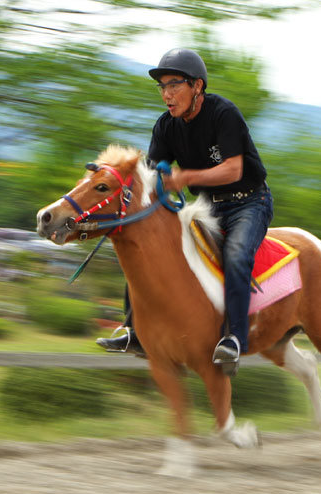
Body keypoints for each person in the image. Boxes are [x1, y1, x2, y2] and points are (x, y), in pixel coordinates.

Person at [97, 48, 274, 374]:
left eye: (174, 85)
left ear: (198, 86)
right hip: (206, 207)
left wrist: (186, 177)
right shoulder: (165, 127)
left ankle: (234, 339)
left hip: (249, 203)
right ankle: (133, 331)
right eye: (162, 87)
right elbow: (151, 175)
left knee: (235, 253)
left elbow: (234, 170)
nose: (166, 94)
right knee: (144, 245)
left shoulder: (225, 114)